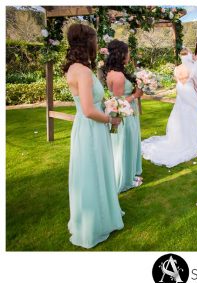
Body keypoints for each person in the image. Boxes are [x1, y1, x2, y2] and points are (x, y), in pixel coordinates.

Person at [63, 23, 124, 249]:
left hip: (83, 128)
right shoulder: (84, 71)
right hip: (91, 128)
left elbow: (87, 107)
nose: (97, 44)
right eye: (95, 40)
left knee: (89, 172)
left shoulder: (73, 68)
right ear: (87, 42)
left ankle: (92, 216)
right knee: (94, 171)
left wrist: (107, 107)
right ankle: (95, 223)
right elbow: (89, 110)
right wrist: (111, 119)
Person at [141, 48, 197, 167]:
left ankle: (179, 137)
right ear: (188, 56)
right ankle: (190, 139)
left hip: (181, 92)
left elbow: (177, 80)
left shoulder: (177, 69)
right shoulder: (192, 68)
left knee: (180, 113)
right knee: (192, 114)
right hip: (189, 91)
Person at [105, 39, 144, 192]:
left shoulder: (115, 72)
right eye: (127, 52)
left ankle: (129, 174)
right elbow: (117, 103)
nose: (129, 54)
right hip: (123, 116)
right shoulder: (118, 76)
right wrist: (135, 95)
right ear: (121, 54)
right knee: (124, 145)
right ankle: (125, 180)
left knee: (129, 143)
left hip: (128, 113)